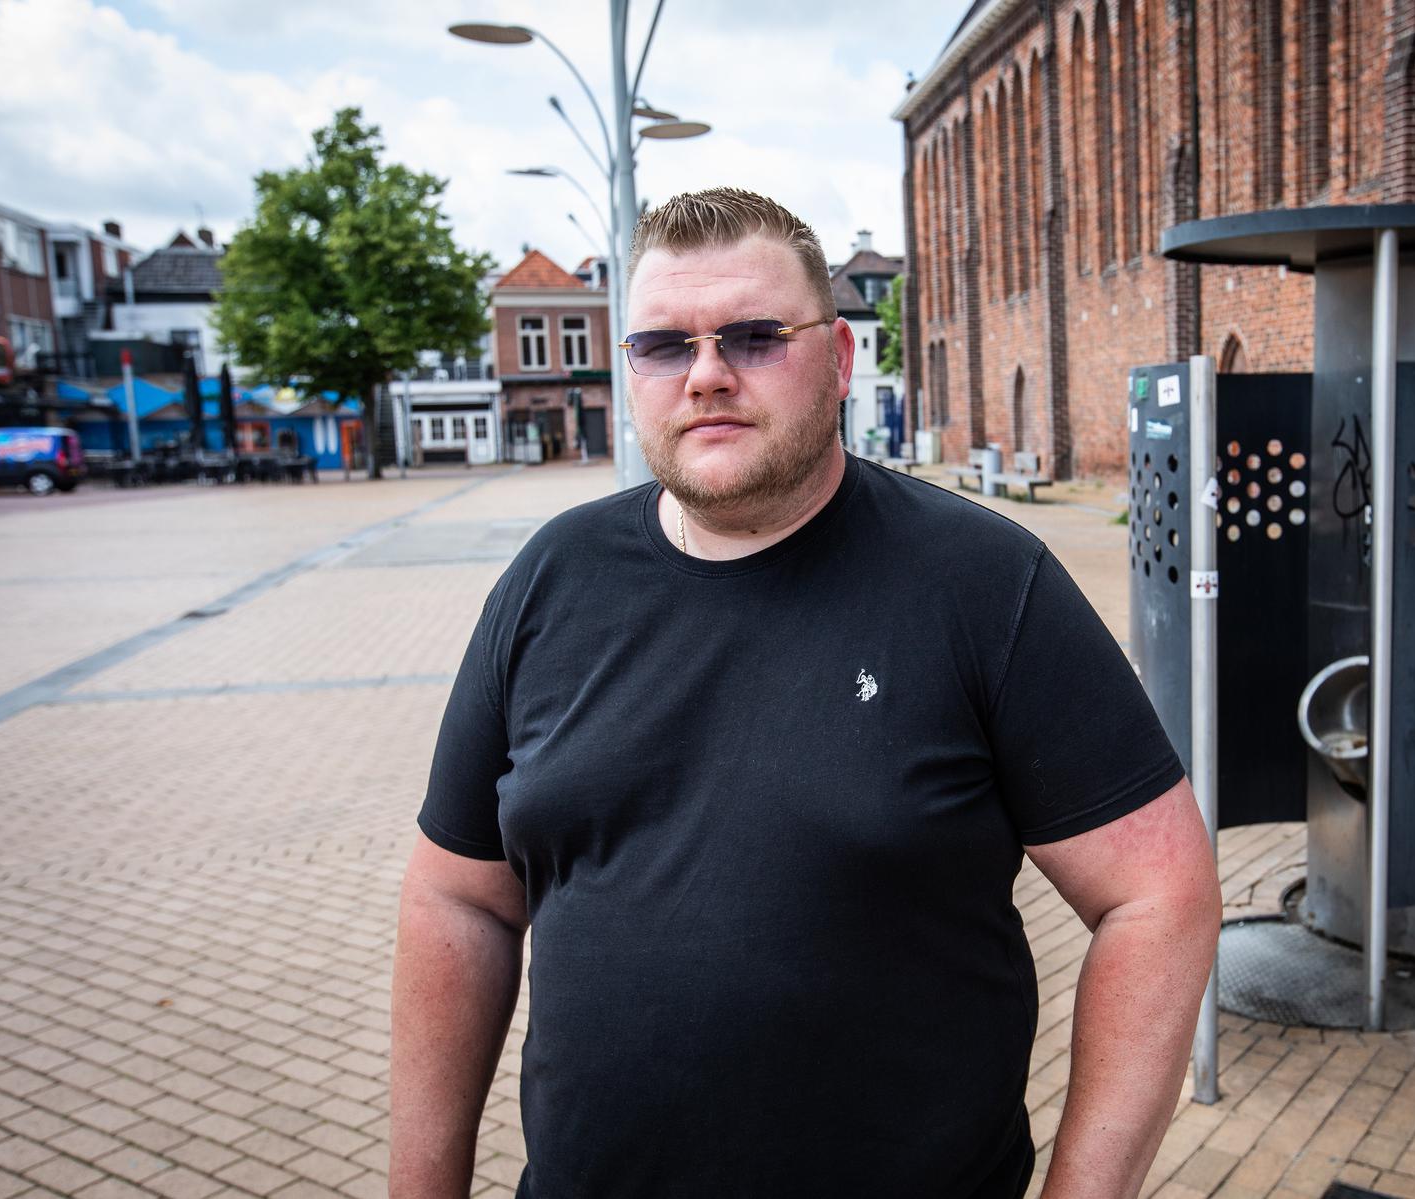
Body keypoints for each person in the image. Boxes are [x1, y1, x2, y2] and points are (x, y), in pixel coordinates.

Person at [391, 188, 1219, 1198]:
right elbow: (460, 897)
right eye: (663, 344)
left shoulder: (985, 585)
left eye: (752, 335)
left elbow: (1160, 890)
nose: (706, 375)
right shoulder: (550, 580)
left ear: (839, 356)